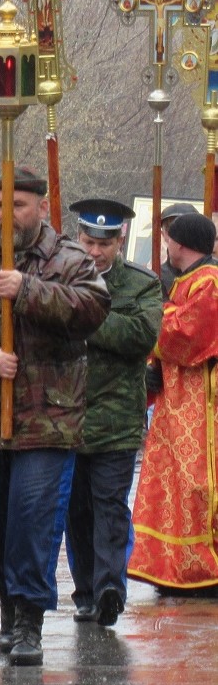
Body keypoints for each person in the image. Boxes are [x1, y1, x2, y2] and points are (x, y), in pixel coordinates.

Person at [0, 168, 110, 666]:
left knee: (32, 522)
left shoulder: (69, 258)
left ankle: (30, 619)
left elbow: (94, 309)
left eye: (17, 205)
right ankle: (7, 604)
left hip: (47, 419)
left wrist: (30, 290)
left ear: (39, 207)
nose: (6, 215)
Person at [64, 199, 161, 625]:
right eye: (89, 241)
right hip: (66, 416)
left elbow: (139, 335)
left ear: (119, 242)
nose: (96, 251)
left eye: (104, 244)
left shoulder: (141, 284)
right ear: (78, 238)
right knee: (76, 510)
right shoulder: (60, 276)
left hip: (118, 418)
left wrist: (83, 317)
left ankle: (109, 589)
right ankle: (86, 590)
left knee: (109, 505)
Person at [129, 213, 218, 591]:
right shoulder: (186, 281)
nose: (166, 245)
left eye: (168, 239)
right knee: (172, 481)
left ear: (179, 243)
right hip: (178, 398)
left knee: (197, 482)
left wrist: (154, 313)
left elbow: (186, 335)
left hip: (201, 401)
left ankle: (203, 568)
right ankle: (173, 566)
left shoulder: (209, 282)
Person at [155, 202, 199, 299]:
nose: (179, 235)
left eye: (187, 228)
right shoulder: (155, 277)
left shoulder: (213, 272)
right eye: (171, 229)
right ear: (163, 235)